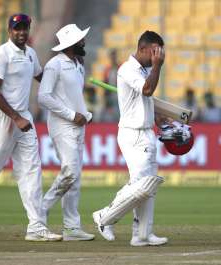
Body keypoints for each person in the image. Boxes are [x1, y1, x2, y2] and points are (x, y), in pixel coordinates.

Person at [0, 13, 62, 242]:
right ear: (9, 31)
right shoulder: (1, 54)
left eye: (25, 28)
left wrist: (62, 82)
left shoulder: (30, 54)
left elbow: (41, 76)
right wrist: (15, 118)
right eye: (17, 29)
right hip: (3, 117)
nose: (21, 32)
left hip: (23, 117)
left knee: (31, 170)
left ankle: (37, 226)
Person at [92, 31, 168, 247]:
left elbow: (145, 102)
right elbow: (147, 90)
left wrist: (159, 118)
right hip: (132, 134)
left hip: (146, 132)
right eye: (155, 51)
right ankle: (104, 217)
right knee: (141, 185)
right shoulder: (127, 69)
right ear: (143, 48)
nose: (158, 56)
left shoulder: (143, 70)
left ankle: (142, 234)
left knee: (148, 187)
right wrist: (158, 66)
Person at [38, 24, 95, 241]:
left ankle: (71, 228)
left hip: (78, 125)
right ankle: (41, 210)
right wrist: (72, 115)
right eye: (81, 40)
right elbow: (43, 97)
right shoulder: (55, 65)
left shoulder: (78, 65)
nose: (84, 43)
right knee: (70, 172)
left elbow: (72, 97)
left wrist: (85, 114)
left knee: (75, 177)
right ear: (71, 44)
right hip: (62, 126)